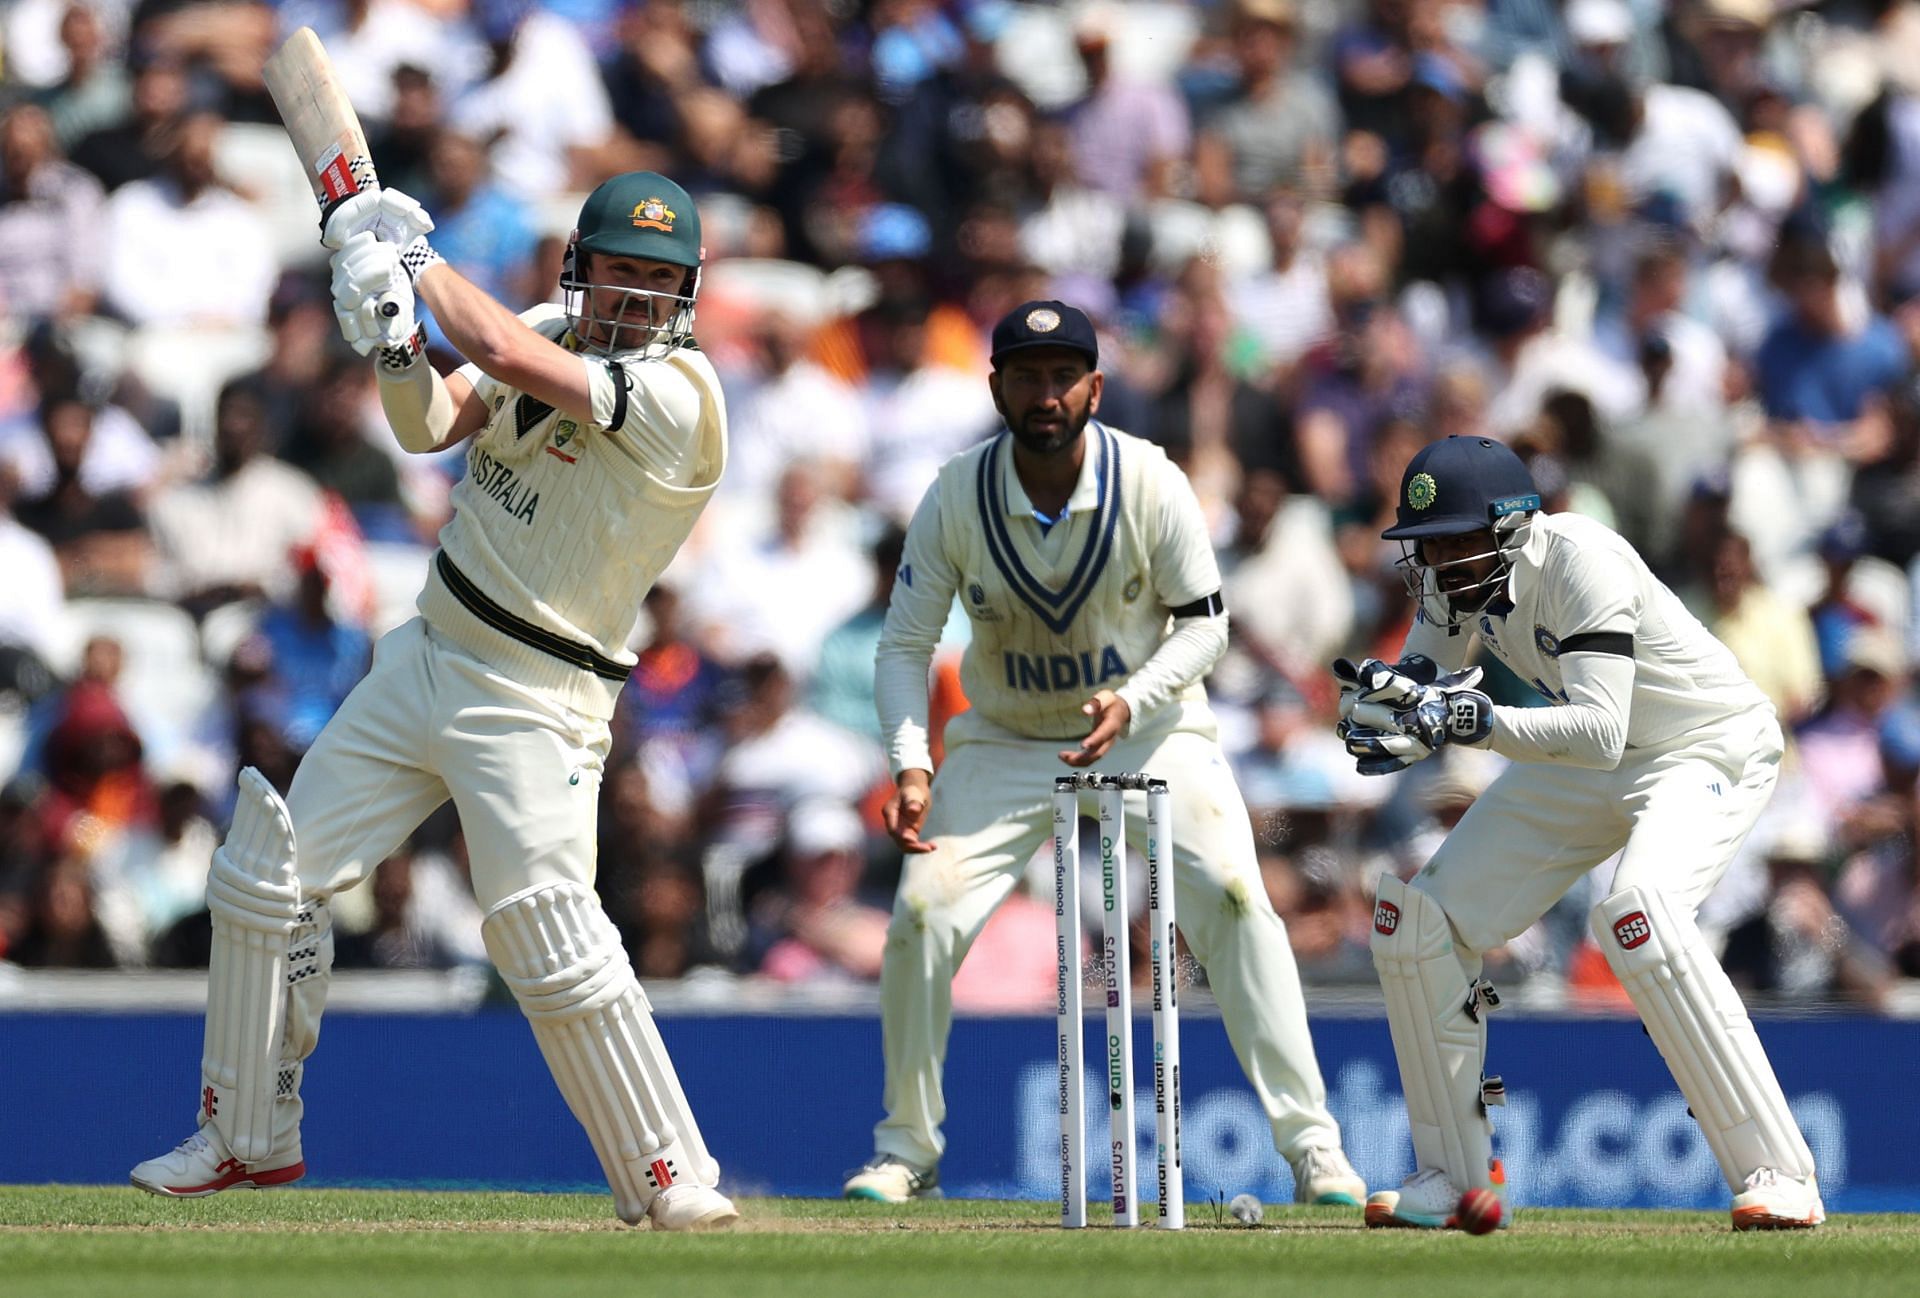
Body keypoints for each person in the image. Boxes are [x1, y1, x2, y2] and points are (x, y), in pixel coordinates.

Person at [127, 171, 737, 1231]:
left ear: (685, 294)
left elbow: (501, 354)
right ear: (578, 270)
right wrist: (398, 343)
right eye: (619, 274)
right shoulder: (551, 323)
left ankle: (672, 1175)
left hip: (537, 696)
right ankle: (245, 1137)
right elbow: (434, 421)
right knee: (266, 874)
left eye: (658, 281)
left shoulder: (682, 397)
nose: (635, 299)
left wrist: (414, 259)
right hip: (426, 649)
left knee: (548, 936)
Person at [841, 300, 1365, 1207]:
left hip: (1151, 729)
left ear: (1094, 387)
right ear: (996, 384)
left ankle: (1315, 1149)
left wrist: (1135, 697)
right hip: (1005, 738)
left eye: (1062, 376)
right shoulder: (957, 494)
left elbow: (1205, 627)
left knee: (1240, 902)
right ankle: (907, 1149)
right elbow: (902, 647)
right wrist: (911, 760)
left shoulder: (1151, 481)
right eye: (1027, 376)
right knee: (923, 915)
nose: (1046, 395)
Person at [1334, 435, 1824, 1232]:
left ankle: (1781, 1174)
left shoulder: (1581, 559)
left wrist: (1468, 719)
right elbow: (1423, 680)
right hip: (1590, 756)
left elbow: (1599, 728)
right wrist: (1388, 708)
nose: (1441, 562)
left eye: (1458, 540)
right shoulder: (1452, 586)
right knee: (1416, 922)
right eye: (1427, 546)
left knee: (1638, 916)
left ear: (1513, 527)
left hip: (1703, 743)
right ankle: (1451, 1177)